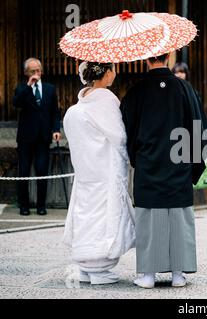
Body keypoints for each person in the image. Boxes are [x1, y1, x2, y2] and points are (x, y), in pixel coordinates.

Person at [121, 53, 207, 289]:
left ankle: (148, 275)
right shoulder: (184, 88)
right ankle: (178, 274)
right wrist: (191, 166)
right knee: (178, 217)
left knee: (149, 218)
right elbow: (200, 128)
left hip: (148, 165)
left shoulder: (136, 91)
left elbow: (126, 132)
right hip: (178, 165)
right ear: (169, 56)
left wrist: (136, 157)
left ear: (145, 59)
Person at [63, 62, 136, 285]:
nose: (115, 72)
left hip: (86, 173)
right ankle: (98, 268)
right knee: (104, 216)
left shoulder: (74, 110)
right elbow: (121, 137)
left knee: (85, 212)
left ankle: (85, 267)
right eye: (113, 68)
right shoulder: (105, 101)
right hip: (105, 172)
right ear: (106, 73)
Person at [12, 58, 61, 216]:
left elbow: (55, 111)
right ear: (27, 72)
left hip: (43, 137)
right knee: (24, 172)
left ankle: (41, 206)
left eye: (38, 70)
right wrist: (29, 85)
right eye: (33, 71)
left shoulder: (49, 89)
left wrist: (56, 129)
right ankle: (24, 206)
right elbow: (17, 103)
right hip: (25, 138)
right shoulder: (22, 89)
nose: (36, 73)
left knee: (42, 171)